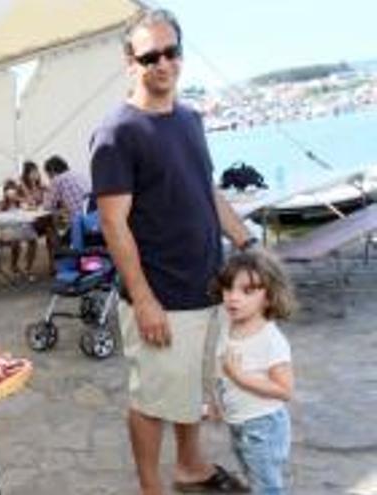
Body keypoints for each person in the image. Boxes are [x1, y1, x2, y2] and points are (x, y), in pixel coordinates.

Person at [90, 8, 255, 494]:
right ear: (130, 62)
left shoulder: (190, 118)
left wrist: (246, 244)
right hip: (160, 294)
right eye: (150, 56)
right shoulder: (117, 132)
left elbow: (207, 192)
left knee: (188, 390)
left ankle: (190, 468)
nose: (163, 63)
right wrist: (143, 299)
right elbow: (113, 223)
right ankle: (151, 488)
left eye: (171, 52)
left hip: (207, 284)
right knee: (151, 399)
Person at [212, 252, 295, 494]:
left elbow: (284, 390)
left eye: (247, 291)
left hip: (263, 427)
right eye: (228, 288)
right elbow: (223, 368)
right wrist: (218, 402)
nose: (233, 298)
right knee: (252, 475)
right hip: (240, 422)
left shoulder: (270, 340)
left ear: (269, 297)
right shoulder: (228, 323)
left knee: (267, 485)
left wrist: (239, 377)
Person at [0, 179, 38, 280]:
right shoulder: (4, 204)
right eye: (8, 190)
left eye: (14, 189)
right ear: (5, 192)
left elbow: (32, 204)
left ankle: (28, 267)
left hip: (22, 226)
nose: (12, 193)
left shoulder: (20, 202)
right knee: (16, 242)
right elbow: (0, 212)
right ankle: (14, 266)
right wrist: (9, 199)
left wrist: (23, 191)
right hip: (9, 228)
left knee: (33, 240)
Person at [43, 154, 91, 221]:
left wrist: (46, 191)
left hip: (81, 220)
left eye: (47, 173)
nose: (48, 177)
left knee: (59, 221)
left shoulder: (57, 180)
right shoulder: (77, 173)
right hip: (95, 213)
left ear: (52, 171)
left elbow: (48, 206)